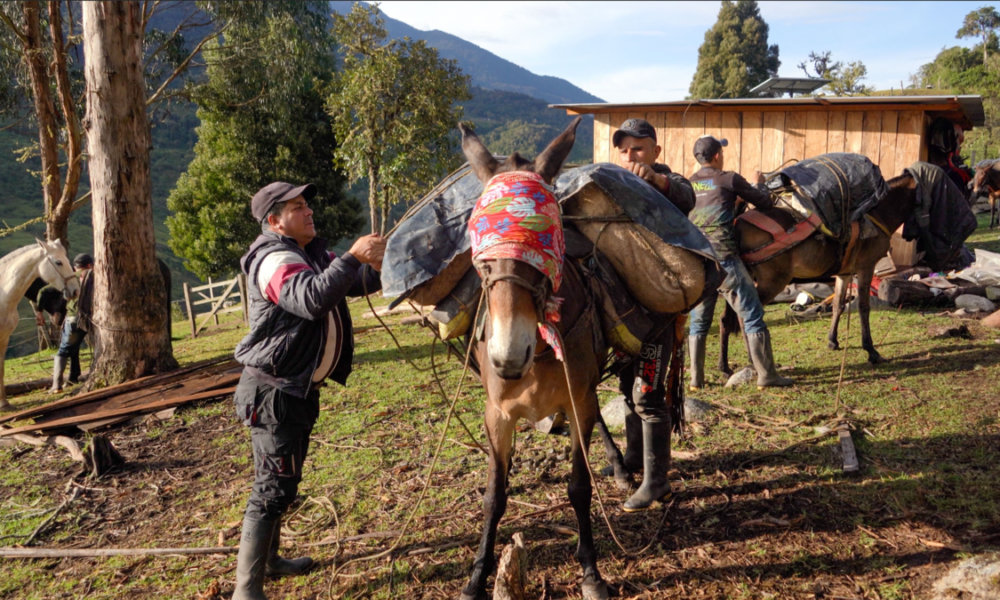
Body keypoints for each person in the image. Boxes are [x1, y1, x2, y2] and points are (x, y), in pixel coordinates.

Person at [232, 182, 385, 600]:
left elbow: (352, 283)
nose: (309, 211)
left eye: (307, 204)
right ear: (274, 220)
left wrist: (377, 263)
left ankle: (271, 561)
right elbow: (312, 298)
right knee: (272, 487)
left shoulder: (312, 254)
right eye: (297, 207)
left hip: (292, 390)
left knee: (284, 482)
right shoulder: (274, 259)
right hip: (273, 392)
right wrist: (354, 255)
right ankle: (246, 592)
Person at [609, 118, 696, 511]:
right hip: (623, 310)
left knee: (647, 393)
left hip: (659, 308)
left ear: (655, 152)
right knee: (627, 387)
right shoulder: (612, 183)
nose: (631, 156)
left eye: (639, 148)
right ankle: (633, 458)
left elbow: (687, 196)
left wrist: (655, 181)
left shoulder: (670, 182)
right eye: (625, 149)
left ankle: (657, 481)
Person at [687, 135, 793, 390]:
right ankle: (767, 375)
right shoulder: (729, 178)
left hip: (698, 260)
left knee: (699, 321)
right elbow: (765, 202)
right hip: (725, 261)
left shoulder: (688, 184)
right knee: (752, 313)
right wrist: (759, 184)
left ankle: (695, 380)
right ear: (716, 156)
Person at [49, 254, 94, 393]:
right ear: (89, 265)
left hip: (74, 318)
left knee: (64, 350)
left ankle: (56, 385)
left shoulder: (71, 278)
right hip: (94, 319)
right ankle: (73, 378)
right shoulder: (96, 275)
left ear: (75, 266)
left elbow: (51, 292)